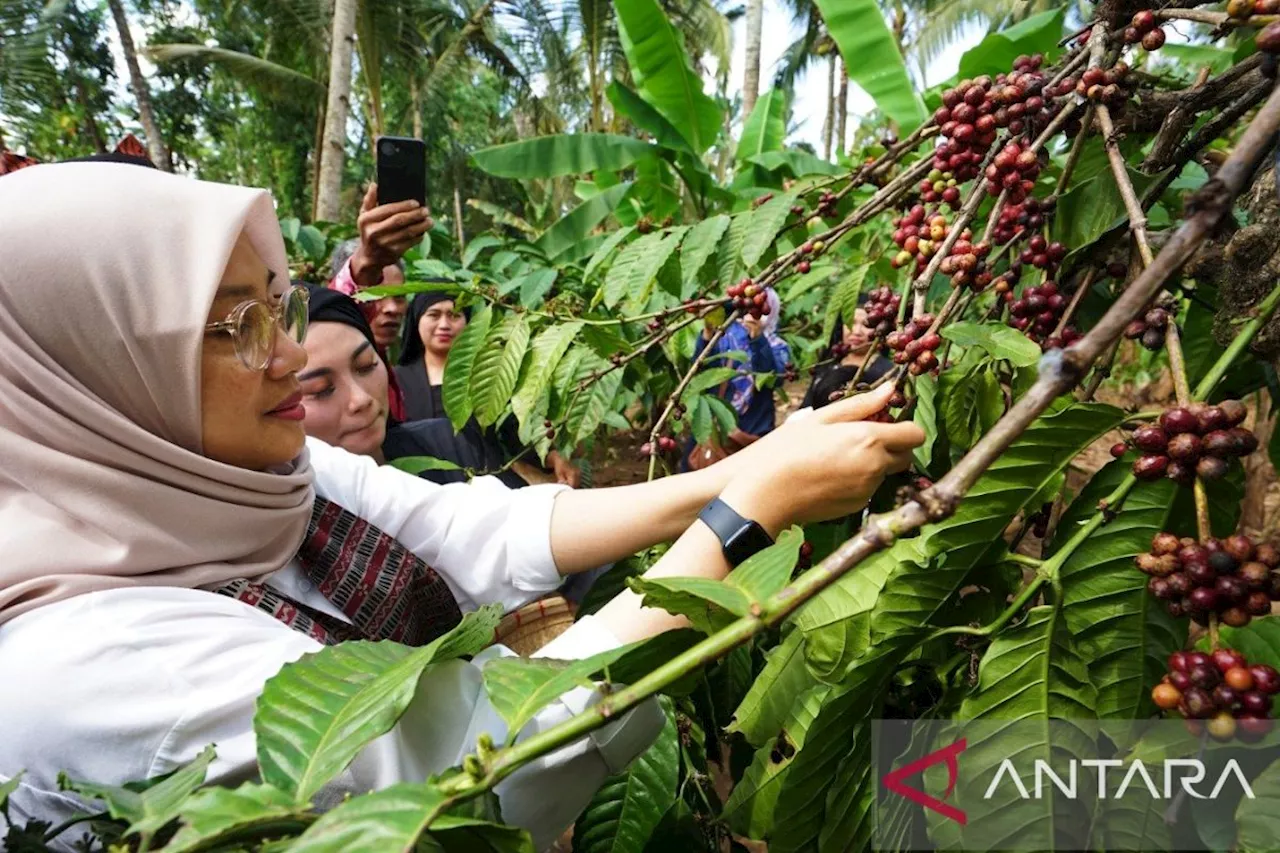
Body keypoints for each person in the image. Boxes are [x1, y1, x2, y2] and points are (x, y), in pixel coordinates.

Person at [0, 162, 922, 850]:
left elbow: (464, 526)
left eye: (273, 306)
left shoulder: (258, 474)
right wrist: (745, 516)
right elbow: (467, 776)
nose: (284, 355)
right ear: (84, 374)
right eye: (235, 328)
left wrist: (750, 464)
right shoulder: (89, 666)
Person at [301, 284, 525, 489]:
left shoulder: (449, 443)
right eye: (320, 389)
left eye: (366, 366)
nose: (361, 399)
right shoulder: (291, 514)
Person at [396, 290, 582, 487]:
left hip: (490, 482)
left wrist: (552, 456)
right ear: (417, 320)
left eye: (454, 315)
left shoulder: (487, 374)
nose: (444, 325)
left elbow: (513, 430)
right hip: (421, 487)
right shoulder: (397, 379)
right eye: (433, 315)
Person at [685, 288, 793, 469]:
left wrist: (758, 339)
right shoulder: (724, 337)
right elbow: (700, 369)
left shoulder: (777, 346)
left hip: (754, 427)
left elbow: (771, 379)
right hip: (715, 423)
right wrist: (707, 333)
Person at [802, 300, 895, 410]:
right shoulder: (829, 361)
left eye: (866, 325)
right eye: (851, 323)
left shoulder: (888, 372)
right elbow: (807, 405)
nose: (857, 331)